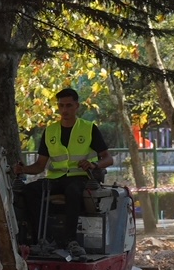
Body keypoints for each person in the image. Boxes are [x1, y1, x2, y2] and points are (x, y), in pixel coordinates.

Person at [15, 87, 114, 251]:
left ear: (77, 106)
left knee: (72, 190)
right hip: (55, 179)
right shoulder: (50, 131)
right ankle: (44, 239)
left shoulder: (89, 128)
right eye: (61, 106)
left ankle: (70, 240)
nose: (64, 110)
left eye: (69, 105)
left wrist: (94, 165)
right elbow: (40, 165)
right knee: (29, 191)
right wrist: (23, 169)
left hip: (80, 178)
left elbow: (108, 158)